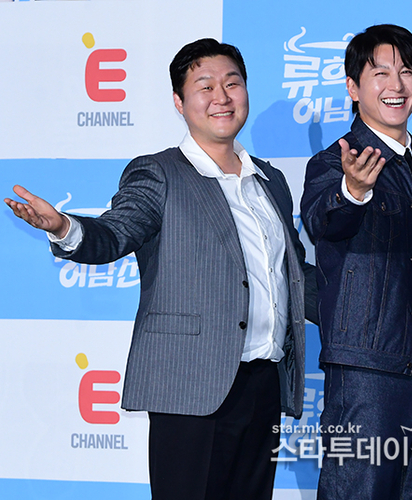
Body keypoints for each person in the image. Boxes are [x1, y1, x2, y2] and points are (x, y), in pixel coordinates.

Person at [5, 38, 317, 500]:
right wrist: (66, 228)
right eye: (205, 86)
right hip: (191, 385)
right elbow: (116, 232)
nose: (222, 97)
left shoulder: (269, 180)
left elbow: (294, 277)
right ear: (179, 102)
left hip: (264, 384)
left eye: (232, 83)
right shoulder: (159, 173)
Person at [300, 24, 412, 500]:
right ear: (353, 87)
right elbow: (323, 221)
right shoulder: (335, 163)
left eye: (407, 72)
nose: (396, 85)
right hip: (370, 367)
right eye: (380, 73)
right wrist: (353, 190)